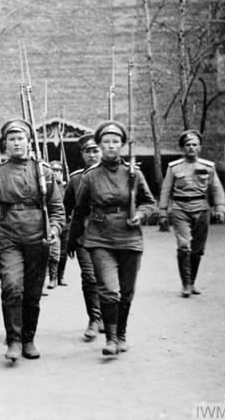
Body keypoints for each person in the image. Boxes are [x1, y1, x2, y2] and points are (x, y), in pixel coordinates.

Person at [0, 119, 65, 362]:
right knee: (12, 286)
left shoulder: (45, 172)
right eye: (11, 139)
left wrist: (55, 230)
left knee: (32, 292)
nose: (17, 143)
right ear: (5, 145)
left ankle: (28, 339)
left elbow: (57, 209)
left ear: (29, 142)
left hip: (39, 237)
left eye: (21, 138)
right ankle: (13, 340)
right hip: (7, 237)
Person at [68, 120, 155, 357]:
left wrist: (140, 214)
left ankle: (122, 333)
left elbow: (149, 202)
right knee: (109, 290)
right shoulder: (90, 176)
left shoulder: (133, 173)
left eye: (115, 142)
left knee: (126, 291)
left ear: (122, 145)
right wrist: (72, 239)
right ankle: (111, 338)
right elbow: (80, 210)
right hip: (100, 238)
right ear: (99, 145)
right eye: (106, 142)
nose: (111, 146)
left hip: (130, 237)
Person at [157, 130, 225, 297]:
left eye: (194, 144)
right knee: (184, 247)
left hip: (202, 208)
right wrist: (162, 212)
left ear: (199, 148)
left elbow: (216, 189)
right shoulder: (174, 168)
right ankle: (186, 284)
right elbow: (166, 191)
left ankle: (192, 281)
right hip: (181, 208)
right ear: (183, 148)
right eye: (187, 145)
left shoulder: (207, 167)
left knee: (198, 250)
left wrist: (220, 208)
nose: (191, 147)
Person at [62, 134, 104, 339]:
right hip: (85, 235)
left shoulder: (118, 174)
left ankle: (108, 317)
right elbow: (65, 210)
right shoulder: (76, 179)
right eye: (88, 151)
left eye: (96, 150)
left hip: (111, 235)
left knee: (108, 279)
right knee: (89, 277)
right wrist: (69, 236)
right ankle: (95, 319)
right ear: (82, 154)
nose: (92, 154)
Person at [46, 160, 69, 289]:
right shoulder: (47, 186)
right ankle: (52, 278)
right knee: (53, 250)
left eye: (58, 171)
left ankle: (61, 277)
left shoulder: (67, 186)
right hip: (52, 222)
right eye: (53, 170)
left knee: (63, 252)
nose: (55, 173)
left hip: (66, 223)